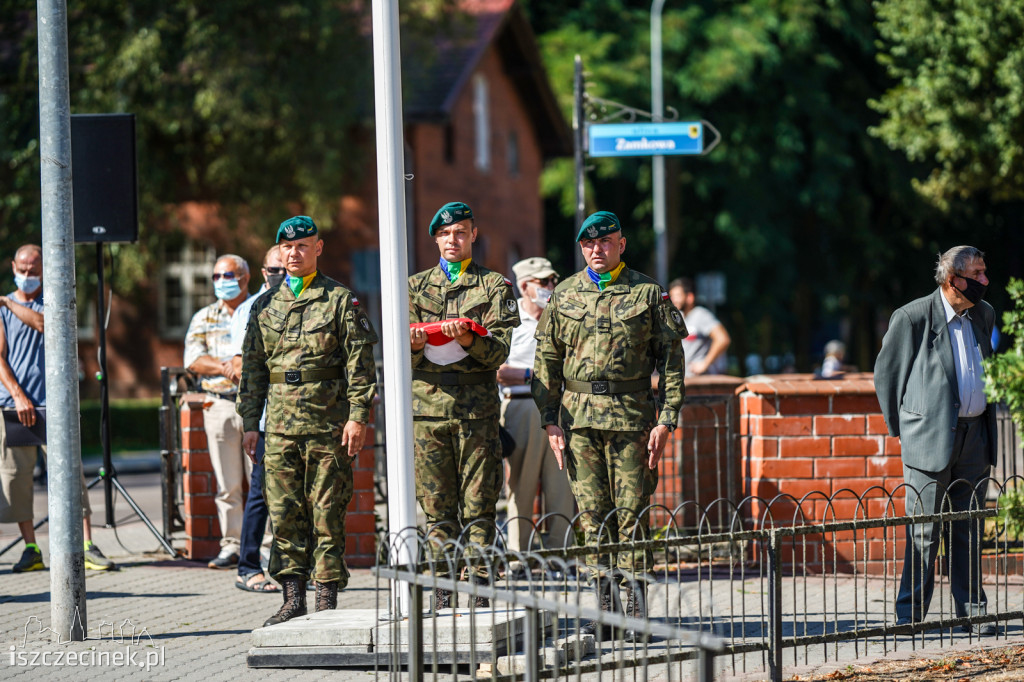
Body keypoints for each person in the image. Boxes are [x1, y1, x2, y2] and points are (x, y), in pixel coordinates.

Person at [533, 211, 686, 640]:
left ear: (622, 244)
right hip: (578, 422)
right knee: (592, 514)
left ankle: (634, 609)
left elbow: (672, 362)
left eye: (605, 242)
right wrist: (550, 420)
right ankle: (604, 608)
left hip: (632, 417)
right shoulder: (563, 295)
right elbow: (546, 360)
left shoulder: (648, 293)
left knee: (631, 511)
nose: (596, 250)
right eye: (588, 244)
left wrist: (667, 418)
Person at [237, 215, 378, 627]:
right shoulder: (264, 306)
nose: (294, 253)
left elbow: (360, 365)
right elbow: (253, 370)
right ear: (278, 253)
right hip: (279, 428)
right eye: (287, 247)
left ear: (318, 248)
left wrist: (358, 417)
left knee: (327, 513)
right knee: (284, 514)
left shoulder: (339, 299)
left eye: (302, 245)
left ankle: (326, 603)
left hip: (327, 427)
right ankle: (292, 599)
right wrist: (250, 421)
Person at [874, 245, 998, 635]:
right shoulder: (912, 317)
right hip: (927, 440)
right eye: (976, 274)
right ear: (951, 280)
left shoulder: (983, 313)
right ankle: (909, 617)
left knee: (970, 527)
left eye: (983, 272)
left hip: (974, 436)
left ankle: (972, 612)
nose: (984, 281)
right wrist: (906, 430)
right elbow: (887, 377)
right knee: (924, 531)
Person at [408, 201, 519, 609]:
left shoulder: (494, 286)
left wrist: (472, 339)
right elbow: (400, 353)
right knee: (437, 506)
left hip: (476, 411)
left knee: (479, 505)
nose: (453, 240)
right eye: (445, 234)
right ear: (435, 238)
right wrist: (415, 346)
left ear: (473, 235)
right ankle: (441, 585)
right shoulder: (413, 287)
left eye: (461, 232)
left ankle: (480, 587)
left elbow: (499, 352)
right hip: (428, 410)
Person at [0, 244, 114, 572]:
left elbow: (42, 324)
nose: (25, 276)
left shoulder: (54, 299)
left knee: (70, 476)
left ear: (44, 270)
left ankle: (86, 544)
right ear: (12, 266)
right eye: (20, 269)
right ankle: (31, 548)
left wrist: (9, 301)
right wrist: (19, 396)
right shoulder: (2, 311)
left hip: (56, 406)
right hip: (14, 405)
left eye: (32, 271)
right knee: (16, 480)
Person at [498, 257, 573, 560]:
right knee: (522, 486)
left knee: (562, 487)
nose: (550, 287)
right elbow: (497, 369)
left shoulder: (561, 315)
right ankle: (519, 557)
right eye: (543, 282)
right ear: (524, 285)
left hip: (560, 408)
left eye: (552, 281)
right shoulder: (507, 318)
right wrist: (535, 374)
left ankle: (560, 556)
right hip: (521, 406)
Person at [184, 254, 253, 570]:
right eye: (216, 277)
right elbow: (193, 360)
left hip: (254, 403)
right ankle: (232, 545)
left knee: (262, 481)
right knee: (228, 484)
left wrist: (234, 365)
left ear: (245, 277)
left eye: (228, 275)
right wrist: (229, 367)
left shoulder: (259, 307)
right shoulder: (204, 316)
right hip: (219, 404)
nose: (222, 282)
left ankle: (264, 546)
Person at [225, 245, 285, 593]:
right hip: (265, 418)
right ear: (264, 272)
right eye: (274, 269)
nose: (280, 275)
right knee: (260, 494)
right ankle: (247, 565)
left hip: (300, 417)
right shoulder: (250, 309)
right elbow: (240, 367)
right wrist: (250, 423)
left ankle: (289, 566)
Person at [668, 277, 731, 376]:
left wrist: (705, 363)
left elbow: (723, 339)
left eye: (678, 296)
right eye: (672, 296)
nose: (673, 300)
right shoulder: (678, 318)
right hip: (683, 380)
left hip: (700, 383)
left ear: (690, 297)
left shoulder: (701, 315)